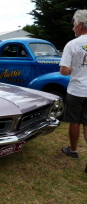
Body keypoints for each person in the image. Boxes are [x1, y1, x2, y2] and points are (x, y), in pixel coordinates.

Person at [59, 9, 87, 173]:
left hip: (77, 90)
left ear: (81, 24)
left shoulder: (72, 44)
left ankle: (73, 150)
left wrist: (69, 70)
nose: (73, 28)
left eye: (74, 24)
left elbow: (64, 70)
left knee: (75, 121)